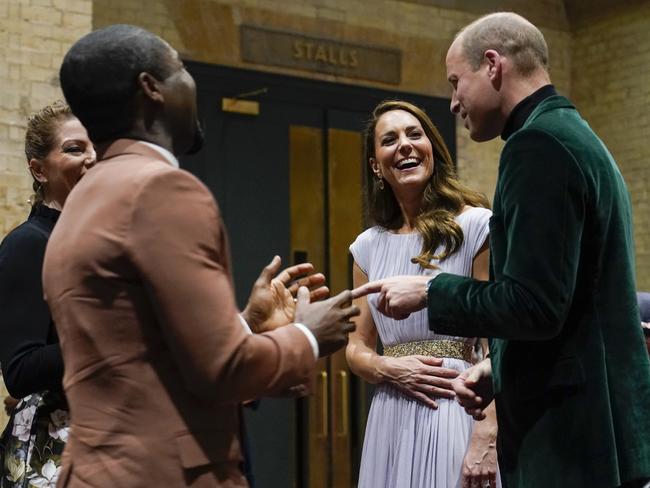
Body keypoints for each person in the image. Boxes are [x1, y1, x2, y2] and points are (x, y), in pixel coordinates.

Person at [42, 24, 359, 487]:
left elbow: (141, 352)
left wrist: (246, 323)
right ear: (151, 88)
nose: (192, 84)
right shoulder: (160, 188)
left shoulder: (86, 196)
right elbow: (222, 370)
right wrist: (310, 336)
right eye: (183, 69)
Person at [353, 12, 650, 488]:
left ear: (492, 65)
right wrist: (499, 368)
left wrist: (432, 292)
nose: (453, 103)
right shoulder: (573, 134)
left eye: (456, 82)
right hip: (599, 425)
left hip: (570, 434)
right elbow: (566, 303)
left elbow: (534, 305)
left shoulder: (536, 146)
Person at [346, 100, 499, 488]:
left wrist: (488, 434)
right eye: (390, 139)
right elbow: (356, 348)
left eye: (416, 135)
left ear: (433, 148)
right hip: (391, 412)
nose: (405, 145)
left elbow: (501, 339)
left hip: (455, 406)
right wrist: (387, 368)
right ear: (376, 166)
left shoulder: (476, 227)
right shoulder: (366, 247)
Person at [0, 101, 96, 486]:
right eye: (74, 149)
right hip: (51, 451)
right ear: (39, 170)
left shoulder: (93, 243)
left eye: (96, 148)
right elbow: (20, 370)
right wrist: (110, 337)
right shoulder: (29, 244)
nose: (92, 159)